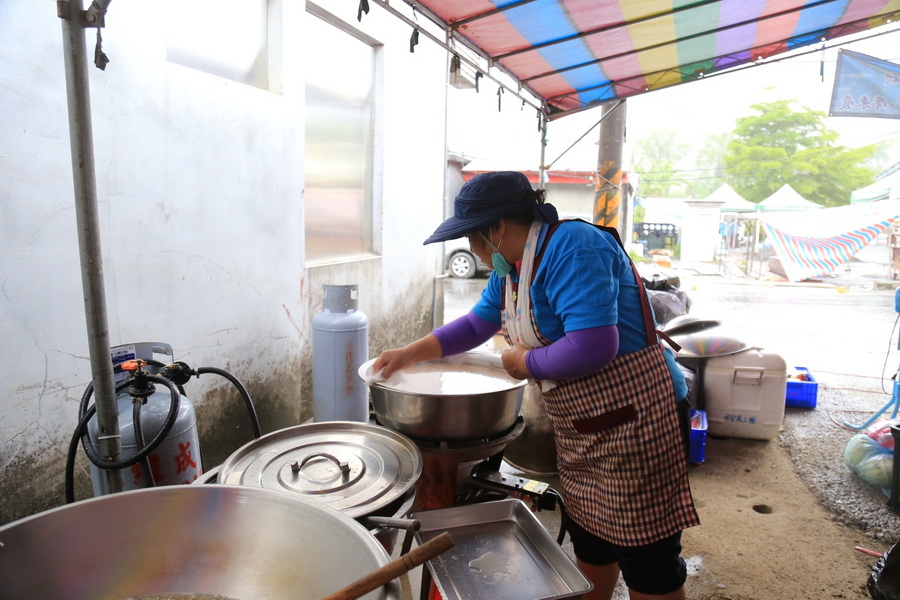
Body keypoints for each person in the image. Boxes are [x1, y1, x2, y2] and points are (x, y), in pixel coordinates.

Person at [372, 171, 700, 600]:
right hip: (585, 425)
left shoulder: (574, 248)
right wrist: (411, 353)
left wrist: (522, 362)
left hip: (639, 420)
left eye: (471, 237)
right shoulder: (512, 270)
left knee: (647, 557)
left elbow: (595, 344)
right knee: (592, 538)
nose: (471, 248)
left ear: (496, 228)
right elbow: (476, 324)